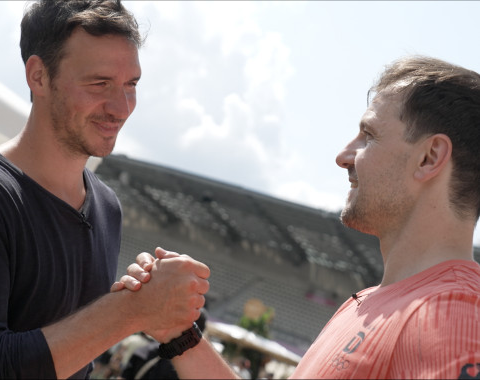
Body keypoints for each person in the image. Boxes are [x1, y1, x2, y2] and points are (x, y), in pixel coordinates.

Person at [116, 55, 480, 379]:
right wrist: (181, 335)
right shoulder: (371, 302)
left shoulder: (451, 312)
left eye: (368, 136)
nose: (343, 155)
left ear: (430, 158)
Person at [0, 1, 210, 378]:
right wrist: (130, 310)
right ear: (38, 76)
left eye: (130, 85)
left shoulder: (106, 208)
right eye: (100, 83)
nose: (121, 107)